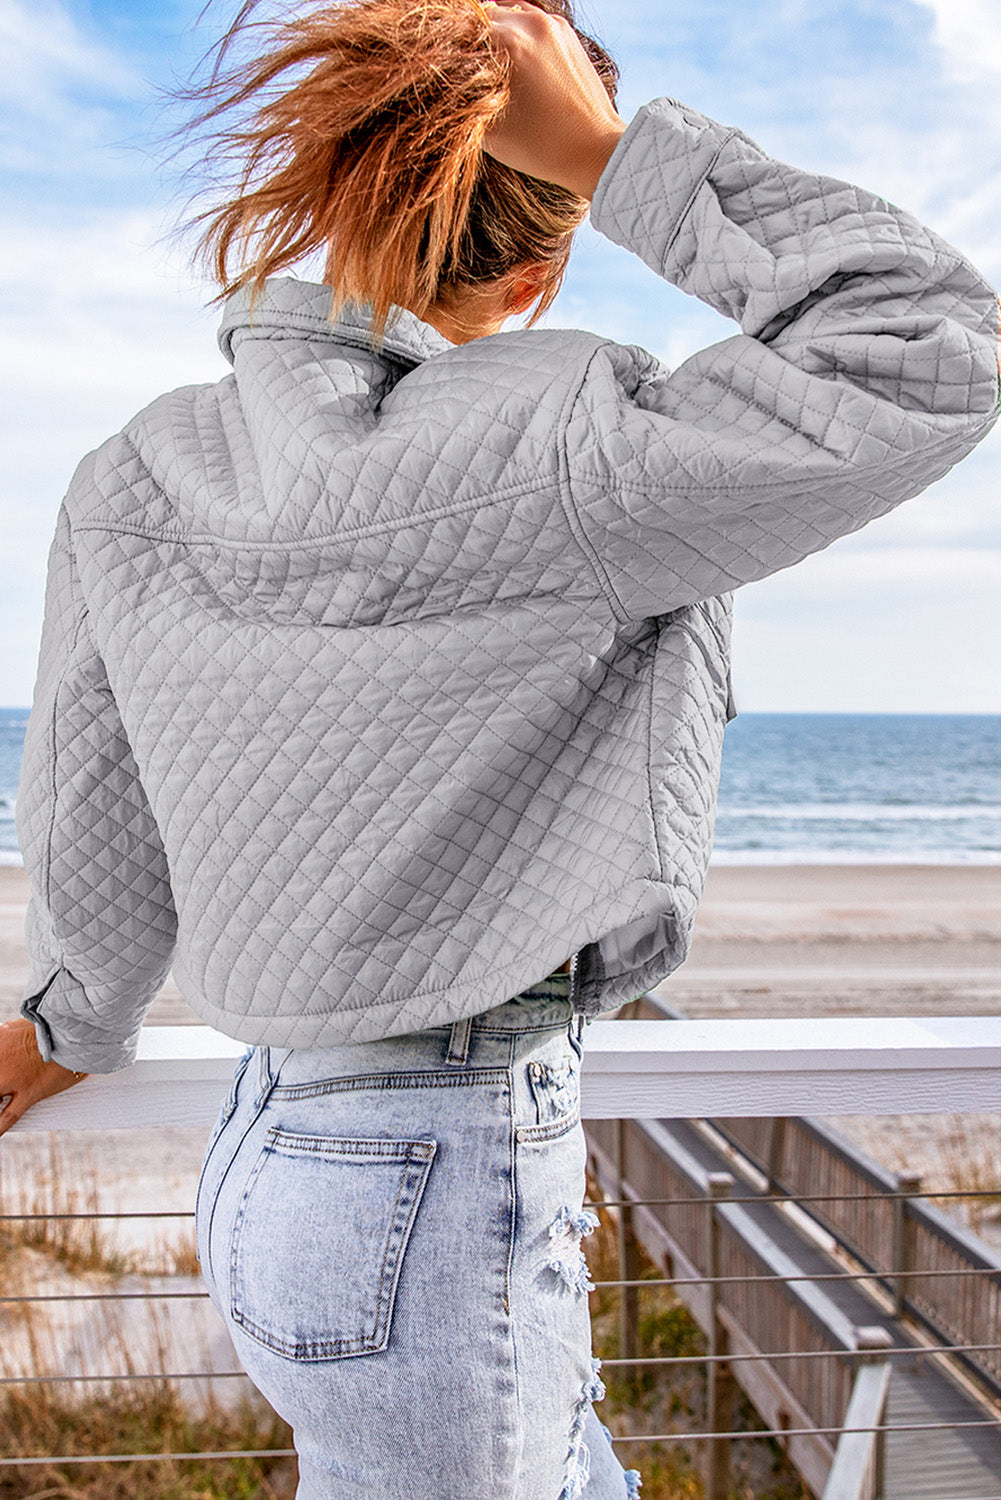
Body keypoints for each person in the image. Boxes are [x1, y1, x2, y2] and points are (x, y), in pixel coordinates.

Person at [1, 0, 997, 1495]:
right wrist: (614, 153)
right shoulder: (563, 448)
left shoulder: (134, 469)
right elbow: (927, 345)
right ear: (537, 271)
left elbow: (96, 806)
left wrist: (62, 1022)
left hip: (271, 1155)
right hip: (443, 1153)